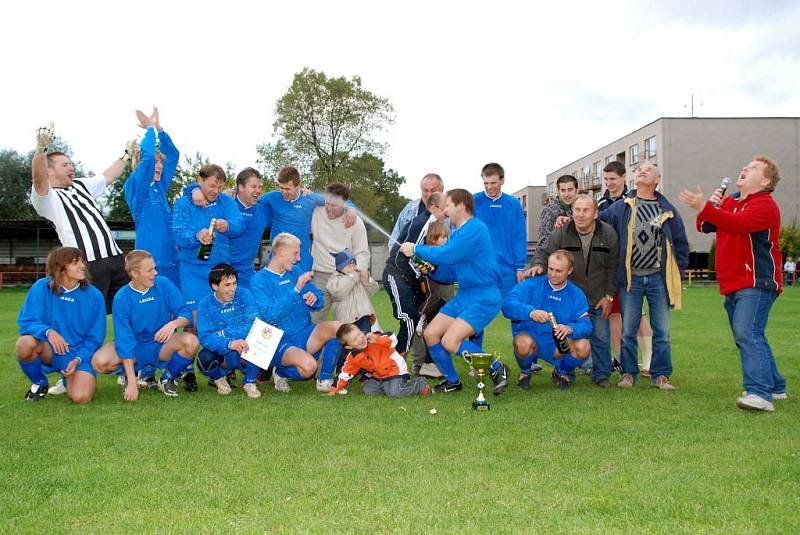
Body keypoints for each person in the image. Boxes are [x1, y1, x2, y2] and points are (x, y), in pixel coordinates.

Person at [679, 156, 786, 411]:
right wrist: (710, 206)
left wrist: (707, 206)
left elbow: (738, 225)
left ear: (765, 180)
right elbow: (705, 225)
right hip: (734, 282)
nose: (745, 169)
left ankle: (759, 393)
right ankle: (775, 385)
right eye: (745, 166)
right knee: (749, 334)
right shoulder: (732, 201)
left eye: (753, 169)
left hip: (756, 280)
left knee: (747, 333)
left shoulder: (764, 205)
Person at [399, 189, 510, 394]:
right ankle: (453, 382)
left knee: (451, 341)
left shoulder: (474, 228)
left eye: (448, 205)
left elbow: (448, 254)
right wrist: (432, 269)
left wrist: (416, 249)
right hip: (466, 295)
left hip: (484, 297)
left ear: (460, 205)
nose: (445, 210)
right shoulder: (459, 232)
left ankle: (498, 368)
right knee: (431, 334)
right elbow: (450, 272)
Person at [601, 162, 689, 390]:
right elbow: (597, 223)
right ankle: (628, 374)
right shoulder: (622, 207)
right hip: (631, 280)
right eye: (639, 168)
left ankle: (661, 376)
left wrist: (677, 273)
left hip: (659, 279)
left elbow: (680, 244)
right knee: (628, 330)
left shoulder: (667, 210)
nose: (642, 171)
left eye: (648, 170)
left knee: (662, 330)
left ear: (657, 179)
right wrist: (570, 220)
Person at [29, 122, 131, 313]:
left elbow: (107, 177)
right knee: (89, 314)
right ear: (49, 170)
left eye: (71, 164)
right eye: (65, 165)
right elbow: (38, 180)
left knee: (127, 309)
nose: (71, 168)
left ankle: (128, 344)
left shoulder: (80, 185)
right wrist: (41, 150)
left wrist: (126, 155)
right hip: (87, 263)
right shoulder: (48, 198)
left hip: (116, 258)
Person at [527, 195, 618, 388]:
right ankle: (566, 372)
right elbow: (544, 252)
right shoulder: (561, 233)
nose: (581, 215)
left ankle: (601, 375)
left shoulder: (608, 233)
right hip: (570, 300)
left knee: (601, 337)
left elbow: (613, 267)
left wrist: (609, 295)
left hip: (597, 297)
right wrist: (537, 265)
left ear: (595, 213)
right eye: (577, 210)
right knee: (566, 337)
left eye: (586, 210)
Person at [91, 250, 198, 399]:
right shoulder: (122, 298)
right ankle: (131, 375)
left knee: (191, 341)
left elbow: (186, 313)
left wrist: (173, 324)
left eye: (154, 268)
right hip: (135, 347)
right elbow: (124, 340)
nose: (155, 273)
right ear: (134, 273)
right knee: (99, 362)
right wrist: (132, 384)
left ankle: (167, 378)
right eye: (149, 270)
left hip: (161, 344)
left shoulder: (163, 284)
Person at [250, 233, 343, 392]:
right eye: (295, 253)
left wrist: (315, 298)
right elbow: (271, 316)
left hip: (305, 332)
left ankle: (325, 379)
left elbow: (318, 298)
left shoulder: (296, 271)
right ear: (281, 252)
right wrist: (295, 290)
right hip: (280, 339)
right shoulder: (259, 280)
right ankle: (280, 372)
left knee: (339, 329)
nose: (298, 258)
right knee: (308, 368)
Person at [15, 247, 106, 403]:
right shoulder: (41, 287)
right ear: (60, 267)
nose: (82, 265)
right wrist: (49, 332)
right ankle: (40, 383)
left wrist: (78, 359)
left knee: (81, 398)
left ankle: (67, 379)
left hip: (78, 354)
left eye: (82, 261)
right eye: (75, 262)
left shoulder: (94, 296)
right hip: (49, 349)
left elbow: (95, 338)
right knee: (24, 344)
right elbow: (26, 321)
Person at [502, 250, 592, 389]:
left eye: (558, 271)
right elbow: (507, 304)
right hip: (531, 338)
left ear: (569, 271)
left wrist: (570, 329)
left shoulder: (576, 294)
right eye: (550, 269)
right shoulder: (532, 285)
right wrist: (530, 312)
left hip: (558, 345)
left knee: (584, 346)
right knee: (522, 343)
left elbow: (586, 324)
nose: (553, 274)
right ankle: (525, 372)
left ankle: (560, 372)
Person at [597, 161, 653, 378]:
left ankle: (649, 360)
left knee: (637, 314)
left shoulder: (634, 200)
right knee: (614, 314)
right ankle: (620, 359)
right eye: (606, 179)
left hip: (632, 266)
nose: (610, 183)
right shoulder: (601, 203)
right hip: (609, 268)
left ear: (623, 178)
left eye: (613, 179)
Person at [173, 164, 245, 310]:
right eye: (212, 186)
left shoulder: (227, 201)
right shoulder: (183, 203)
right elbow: (179, 235)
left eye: (220, 187)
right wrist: (197, 236)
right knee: (194, 319)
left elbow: (239, 226)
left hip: (221, 271)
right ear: (200, 180)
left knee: (222, 316)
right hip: (192, 271)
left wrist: (228, 226)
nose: (216, 191)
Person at [384, 192, 445, 364]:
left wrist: (426, 270)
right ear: (433, 208)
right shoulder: (422, 223)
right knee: (409, 319)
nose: (446, 212)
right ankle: (394, 366)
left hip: (410, 278)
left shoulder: (433, 224)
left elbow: (419, 257)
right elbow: (402, 256)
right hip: (396, 275)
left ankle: (430, 363)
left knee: (439, 308)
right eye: (444, 208)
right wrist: (421, 275)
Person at [261, 165, 356, 273]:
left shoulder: (310, 198)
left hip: (301, 259)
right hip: (278, 256)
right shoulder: (271, 197)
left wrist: (351, 207)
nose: (284, 192)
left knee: (302, 287)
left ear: (298, 186)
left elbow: (336, 200)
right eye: (281, 188)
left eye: (288, 189)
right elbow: (251, 201)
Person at [124, 107, 181, 288]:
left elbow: (173, 155)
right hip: (150, 265)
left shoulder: (158, 187)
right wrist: (149, 129)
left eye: (160, 163)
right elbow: (147, 160)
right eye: (156, 162)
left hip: (172, 260)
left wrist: (160, 129)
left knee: (177, 311)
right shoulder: (136, 186)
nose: (160, 166)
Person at [196, 263, 263, 399]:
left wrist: (224, 334)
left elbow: (254, 323)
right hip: (224, 354)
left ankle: (249, 382)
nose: (232, 289)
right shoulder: (205, 303)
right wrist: (229, 343)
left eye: (234, 283)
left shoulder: (244, 294)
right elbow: (205, 337)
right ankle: (219, 378)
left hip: (245, 349)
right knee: (204, 358)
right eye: (227, 285)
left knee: (263, 339)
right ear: (215, 286)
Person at [310, 183, 370, 323]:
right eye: (327, 203)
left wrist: (354, 276)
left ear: (345, 204)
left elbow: (362, 253)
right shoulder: (316, 212)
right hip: (320, 276)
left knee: (348, 325)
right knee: (313, 322)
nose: (329, 208)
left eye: (334, 205)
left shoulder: (355, 222)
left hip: (345, 279)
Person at [328, 325, 430, 397]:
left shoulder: (374, 338)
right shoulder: (353, 357)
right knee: (368, 390)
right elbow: (345, 373)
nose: (360, 339)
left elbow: (393, 339)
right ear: (349, 346)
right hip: (379, 375)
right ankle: (387, 385)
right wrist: (334, 389)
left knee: (394, 393)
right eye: (355, 340)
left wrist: (377, 339)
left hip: (396, 370)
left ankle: (420, 384)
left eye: (359, 334)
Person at [473, 162, 527, 294]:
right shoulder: (474, 201)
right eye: (486, 183)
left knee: (511, 309)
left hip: (507, 269)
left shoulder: (513, 204)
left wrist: (520, 267)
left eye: (493, 183)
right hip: (480, 267)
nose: (489, 187)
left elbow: (519, 236)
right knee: (480, 311)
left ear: (502, 180)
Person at [326, 250, 380, 332]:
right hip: (346, 320)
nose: (353, 269)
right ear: (340, 267)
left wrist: (366, 278)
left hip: (364, 317)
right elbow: (338, 293)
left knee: (364, 341)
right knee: (349, 343)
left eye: (354, 265)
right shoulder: (334, 280)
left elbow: (373, 290)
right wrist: (353, 276)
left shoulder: (357, 278)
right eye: (349, 266)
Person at [389, 173, 445, 251]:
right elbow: (394, 239)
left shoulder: (451, 213)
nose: (429, 194)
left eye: (433, 190)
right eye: (425, 190)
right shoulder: (409, 210)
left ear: (442, 191)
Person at [538, 174, 578, 249]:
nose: (566, 194)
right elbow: (543, 241)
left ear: (576, 190)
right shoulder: (550, 210)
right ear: (558, 192)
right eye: (563, 190)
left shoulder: (582, 207)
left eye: (570, 190)